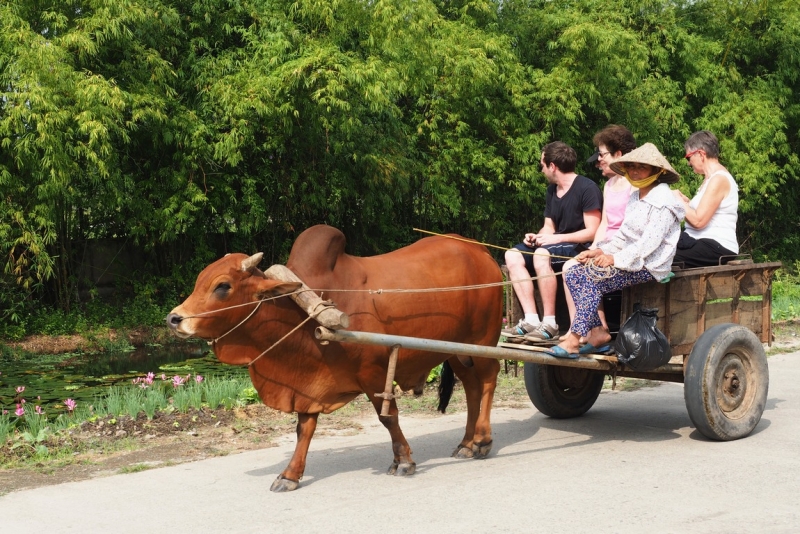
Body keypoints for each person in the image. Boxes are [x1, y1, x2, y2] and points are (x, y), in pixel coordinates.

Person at [551, 143, 685, 358]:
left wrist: (613, 258)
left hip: (649, 264)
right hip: (629, 258)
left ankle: (574, 338)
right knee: (575, 272)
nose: (634, 171)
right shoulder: (635, 197)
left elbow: (647, 245)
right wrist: (599, 251)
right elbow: (623, 236)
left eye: (641, 167)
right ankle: (597, 333)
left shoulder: (664, 201)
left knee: (592, 278)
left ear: (657, 171)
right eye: (631, 166)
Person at [502, 141, 603, 341]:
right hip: (555, 244)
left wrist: (554, 239)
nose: (541, 170)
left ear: (552, 166)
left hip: (579, 248)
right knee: (511, 254)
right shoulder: (552, 191)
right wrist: (538, 237)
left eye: (542, 165)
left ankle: (550, 323)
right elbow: (549, 226)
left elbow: (592, 232)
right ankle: (531, 318)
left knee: (541, 255)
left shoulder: (587, 188)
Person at [562, 125, 637, 339]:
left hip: (623, 247)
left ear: (619, 154)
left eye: (603, 154)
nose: (599, 159)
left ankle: (587, 329)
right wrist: (593, 248)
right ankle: (591, 328)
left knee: (572, 267)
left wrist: (604, 253)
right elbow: (604, 223)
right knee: (573, 265)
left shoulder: (635, 184)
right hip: (605, 245)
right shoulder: (610, 184)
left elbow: (630, 225)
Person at [672, 131, 739, 268]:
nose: (689, 163)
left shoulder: (719, 179)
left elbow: (698, 221)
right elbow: (706, 212)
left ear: (701, 154)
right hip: (700, 241)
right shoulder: (709, 179)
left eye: (688, 157)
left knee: (662, 257)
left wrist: (678, 200)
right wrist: (687, 203)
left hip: (716, 245)